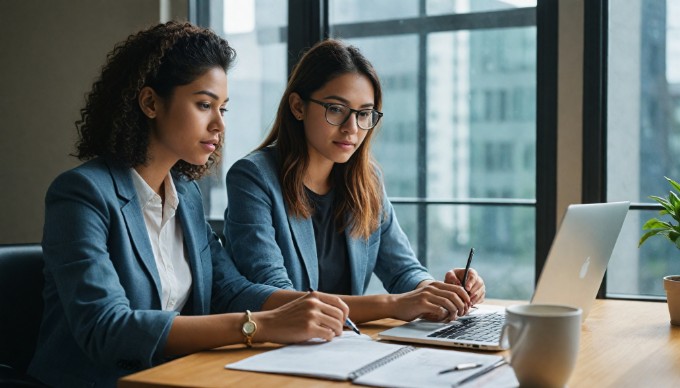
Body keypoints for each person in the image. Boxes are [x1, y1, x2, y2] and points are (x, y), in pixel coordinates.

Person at [28, 22, 349, 388]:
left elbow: (229, 289)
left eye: (223, 109)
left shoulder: (186, 195)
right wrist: (261, 325)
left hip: (177, 377)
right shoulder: (81, 194)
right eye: (203, 105)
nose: (219, 125)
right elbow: (106, 328)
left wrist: (308, 304)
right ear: (150, 102)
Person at [223, 39, 486, 325]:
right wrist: (394, 304)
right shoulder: (252, 178)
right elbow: (277, 297)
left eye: (363, 114)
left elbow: (403, 271)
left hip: (343, 347)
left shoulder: (367, 180)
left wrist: (436, 292)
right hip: (275, 350)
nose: (352, 128)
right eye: (336, 109)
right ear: (298, 106)